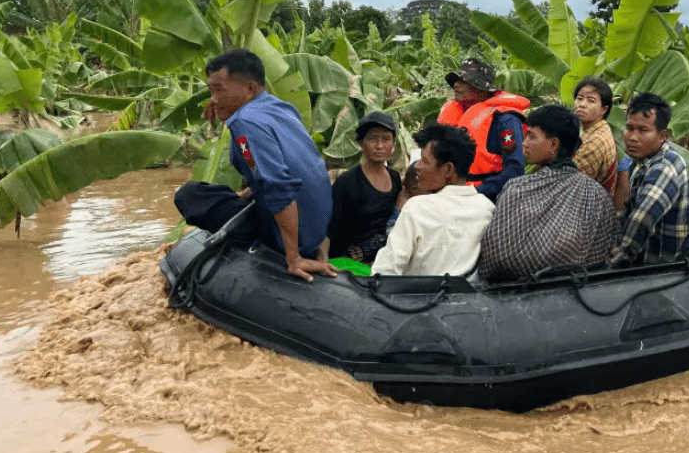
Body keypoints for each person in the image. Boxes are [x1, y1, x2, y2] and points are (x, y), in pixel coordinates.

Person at [174, 49, 336, 283]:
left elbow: (280, 187)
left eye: (219, 90)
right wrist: (221, 101)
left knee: (190, 194)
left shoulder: (244, 123)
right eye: (211, 91)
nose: (214, 100)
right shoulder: (282, 108)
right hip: (316, 227)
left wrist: (294, 257)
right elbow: (283, 167)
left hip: (298, 236)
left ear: (249, 89)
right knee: (232, 194)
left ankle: (271, 248)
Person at [479, 105, 618, 282]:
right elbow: (606, 253)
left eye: (531, 136)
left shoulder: (518, 189)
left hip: (522, 293)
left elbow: (496, 258)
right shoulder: (598, 195)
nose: (524, 143)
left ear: (553, 144)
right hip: (583, 292)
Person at [371, 124, 495, 277]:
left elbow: (384, 272)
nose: (417, 166)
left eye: (424, 161)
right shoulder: (487, 208)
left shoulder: (417, 207)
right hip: (469, 297)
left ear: (448, 170)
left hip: (420, 298)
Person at [612, 93, 689, 266]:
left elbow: (642, 218)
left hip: (681, 262)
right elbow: (628, 210)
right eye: (630, 128)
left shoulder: (665, 167)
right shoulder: (641, 161)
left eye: (643, 130)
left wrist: (614, 262)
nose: (632, 137)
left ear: (662, 136)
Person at [436, 58, 530, 202]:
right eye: (455, 81)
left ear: (482, 87)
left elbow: (515, 170)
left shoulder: (506, 119)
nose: (456, 85)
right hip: (449, 196)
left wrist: (476, 194)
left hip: (487, 199)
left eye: (463, 81)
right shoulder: (454, 112)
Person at [325, 111, 402, 263]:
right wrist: (323, 260)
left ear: (393, 143)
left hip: (384, 258)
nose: (379, 146)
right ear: (360, 142)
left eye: (386, 139)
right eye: (372, 138)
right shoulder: (346, 182)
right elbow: (329, 229)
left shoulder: (395, 178)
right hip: (350, 261)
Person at [571, 76, 618, 193]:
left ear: (604, 109)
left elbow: (567, 184)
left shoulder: (593, 143)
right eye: (579, 98)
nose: (582, 104)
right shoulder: (601, 129)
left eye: (591, 100)